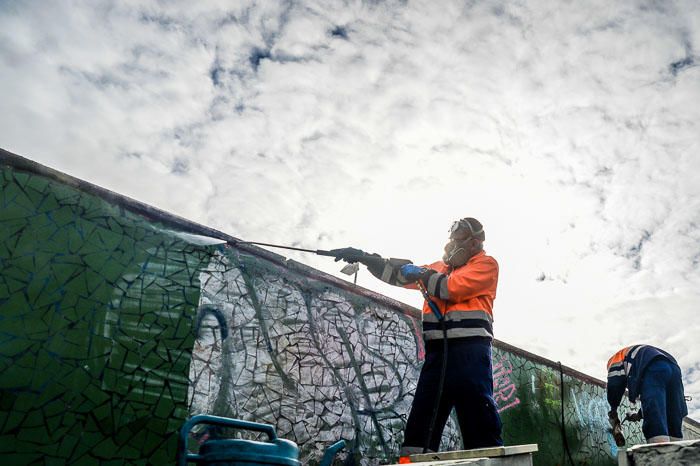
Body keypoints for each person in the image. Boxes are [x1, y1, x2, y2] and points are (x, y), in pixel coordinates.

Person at [331, 217, 503, 458]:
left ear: (475, 243)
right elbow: (399, 275)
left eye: (459, 238)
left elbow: (451, 289)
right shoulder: (438, 268)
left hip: (470, 354)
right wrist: (365, 257)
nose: (453, 242)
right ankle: (413, 460)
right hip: (438, 355)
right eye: (452, 237)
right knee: (422, 421)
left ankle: (491, 460)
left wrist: (421, 274)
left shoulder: (485, 264)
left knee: (479, 420)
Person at [607, 344, 688, 445]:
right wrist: (639, 415)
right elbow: (657, 400)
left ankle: (659, 454)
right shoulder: (638, 355)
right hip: (674, 368)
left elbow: (614, 384)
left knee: (655, 419)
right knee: (673, 417)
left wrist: (613, 411)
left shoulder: (615, 359)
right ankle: (676, 452)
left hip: (651, 365)